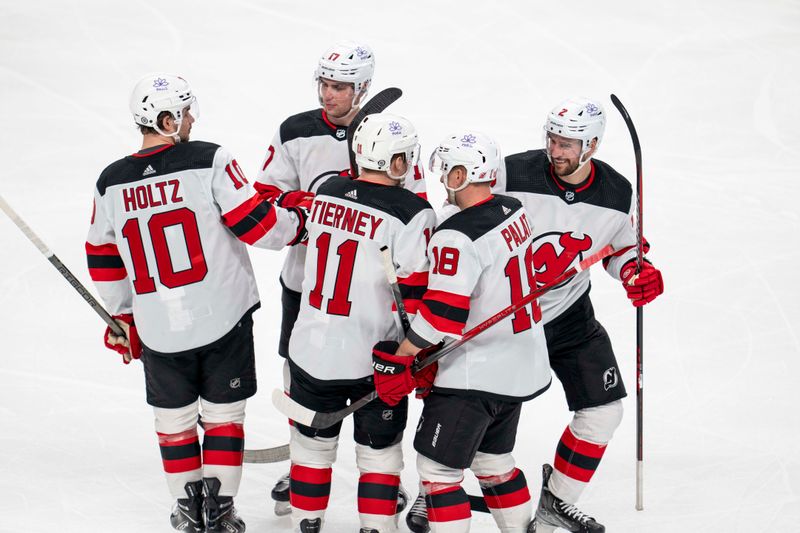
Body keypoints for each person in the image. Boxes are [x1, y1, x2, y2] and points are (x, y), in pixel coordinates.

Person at [86, 73, 307, 533]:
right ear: (167, 119)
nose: (191, 119)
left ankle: (189, 512)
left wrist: (121, 315)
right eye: (184, 112)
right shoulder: (209, 158)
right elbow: (260, 227)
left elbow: (102, 254)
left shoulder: (110, 182)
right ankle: (221, 510)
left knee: (174, 422)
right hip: (223, 316)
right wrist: (301, 220)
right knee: (224, 417)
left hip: (158, 327)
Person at [253, 39, 425, 516]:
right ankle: (307, 452)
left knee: (375, 377)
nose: (328, 95)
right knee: (300, 362)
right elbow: (267, 193)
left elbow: (414, 205)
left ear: (363, 88)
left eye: (340, 87)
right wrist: (311, 208)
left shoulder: (393, 140)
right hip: (307, 279)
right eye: (324, 84)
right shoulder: (296, 131)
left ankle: (371, 471)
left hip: (371, 288)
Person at [374, 131, 552, 533]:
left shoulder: (455, 236)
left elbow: (441, 315)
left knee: (437, 471)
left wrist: (403, 355)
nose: (442, 181)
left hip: (477, 375)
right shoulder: (513, 209)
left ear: (463, 173)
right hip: (520, 364)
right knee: (492, 462)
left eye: (449, 172)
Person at [501, 97, 663, 533]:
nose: (557, 150)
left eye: (568, 143)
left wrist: (635, 271)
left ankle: (558, 502)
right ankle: (432, 488)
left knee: (604, 410)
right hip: (504, 317)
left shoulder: (615, 192)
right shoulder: (510, 172)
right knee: (478, 411)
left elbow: (622, 246)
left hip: (570, 315)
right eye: (553, 138)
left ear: (591, 144)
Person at [284, 112, 435, 533]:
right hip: (374, 359)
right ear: (397, 162)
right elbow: (420, 295)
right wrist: (422, 353)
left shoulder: (327, 192)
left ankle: (307, 525)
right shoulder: (414, 212)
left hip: (310, 350)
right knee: (379, 458)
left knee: (310, 452)